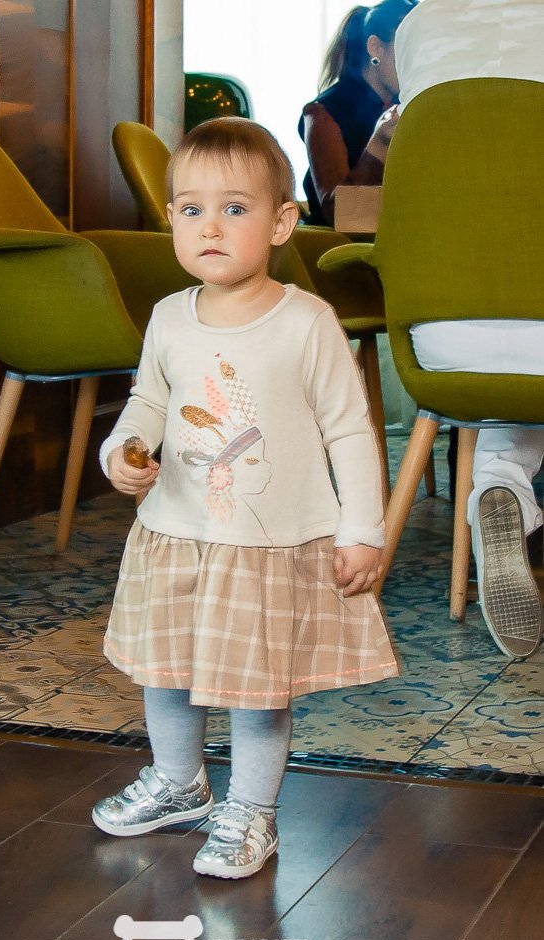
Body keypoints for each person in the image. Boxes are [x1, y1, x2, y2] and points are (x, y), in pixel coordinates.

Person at [91, 118, 399, 880]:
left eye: (234, 208)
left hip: (267, 544)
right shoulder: (168, 317)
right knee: (166, 669)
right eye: (191, 209)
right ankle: (178, 782)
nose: (210, 227)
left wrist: (361, 529)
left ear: (281, 222)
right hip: (177, 530)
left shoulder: (305, 322)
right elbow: (147, 403)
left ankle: (251, 809)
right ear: (171, 220)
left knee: (257, 689)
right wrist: (123, 451)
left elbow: (349, 429)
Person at [394, 0, 544, 659]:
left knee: (505, 361)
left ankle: (500, 481)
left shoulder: (418, 25)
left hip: (438, 338)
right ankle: (503, 482)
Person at [298, 0, 417, 227]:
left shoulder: (409, 106)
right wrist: (380, 143)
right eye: (407, 51)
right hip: (340, 245)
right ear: (375, 48)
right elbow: (339, 214)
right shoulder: (323, 112)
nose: (416, 64)